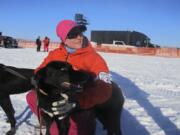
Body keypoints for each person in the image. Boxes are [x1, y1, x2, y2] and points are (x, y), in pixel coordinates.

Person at [26, 20, 112, 135]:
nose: (79, 37)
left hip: (81, 102)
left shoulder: (94, 59)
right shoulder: (55, 54)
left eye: (80, 33)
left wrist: (77, 102)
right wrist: (39, 81)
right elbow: (40, 71)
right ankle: (47, 120)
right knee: (31, 96)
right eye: (72, 34)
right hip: (57, 97)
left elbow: (105, 88)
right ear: (64, 39)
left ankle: (86, 125)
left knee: (57, 131)